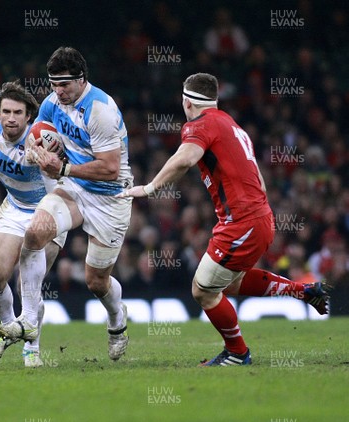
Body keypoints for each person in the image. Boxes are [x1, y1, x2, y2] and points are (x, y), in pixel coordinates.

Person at [119, 73, 330, 366]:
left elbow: (185, 158)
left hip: (242, 222)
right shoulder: (232, 125)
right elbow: (260, 181)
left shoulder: (200, 124)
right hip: (259, 217)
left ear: (187, 102)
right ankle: (303, 291)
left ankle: (237, 352)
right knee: (227, 283)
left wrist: (150, 187)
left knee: (202, 290)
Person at [0, 47, 134, 361]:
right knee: (35, 232)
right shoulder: (53, 102)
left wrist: (63, 168)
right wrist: (36, 150)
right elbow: (36, 133)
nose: (59, 90)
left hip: (110, 197)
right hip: (72, 189)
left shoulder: (100, 110)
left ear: (82, 80)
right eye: (54, 83)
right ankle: (29, 318)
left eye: (65, 84)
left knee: (96, 281)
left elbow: (111, 168)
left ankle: (117, 320)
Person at [0, 81, 66, 368]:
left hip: (50, 211)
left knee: (27, 287)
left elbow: (56, 158)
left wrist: (43, 155)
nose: (11, 118)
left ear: (29, 117)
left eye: (18, 112)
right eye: (6, 111)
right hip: (15, 208)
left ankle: (32, 347)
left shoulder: (42, 139)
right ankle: (9, 329)